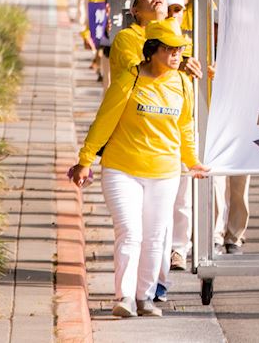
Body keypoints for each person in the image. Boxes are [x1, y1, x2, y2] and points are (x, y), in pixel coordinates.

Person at [70, 21, 209, 318]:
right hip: (122, 169)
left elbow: (185, 126)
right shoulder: (129, 79)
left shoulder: (183, 83)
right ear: (152, 50)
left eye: (179, 49)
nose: (176, 55)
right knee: (130, 231)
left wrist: (192, 160)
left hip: (165, 172)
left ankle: (145, 297)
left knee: (155, 236)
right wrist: (86, 159)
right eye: (169, 49)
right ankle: (124, 297)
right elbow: (105, 119)